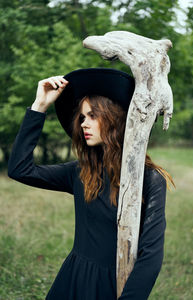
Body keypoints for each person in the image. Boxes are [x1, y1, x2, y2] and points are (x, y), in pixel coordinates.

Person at [8, 68, 175, 300]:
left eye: (93, 115)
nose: (84, 123)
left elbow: (151, 255)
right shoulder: (81, 172)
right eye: (83, 117)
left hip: (112, 286)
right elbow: (19, 169)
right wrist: (39, 105)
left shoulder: (149, 179)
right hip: (72, 281)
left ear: (115, 118)